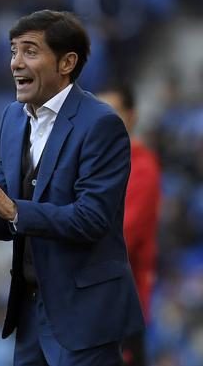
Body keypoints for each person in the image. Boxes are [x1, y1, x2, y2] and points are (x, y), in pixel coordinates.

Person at [0, 10, 144, 366]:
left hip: (86, 319)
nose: (16, 63)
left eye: (30, 51)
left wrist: (18, 212)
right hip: (31, 317)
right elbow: (6, 214)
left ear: (67, 62)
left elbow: (92, 218)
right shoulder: (11, 119)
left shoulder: (102, 124)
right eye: (13, 51)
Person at [98, 86, 161, 366]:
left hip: (121, 305)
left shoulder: (143, 167)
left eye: (112, 112)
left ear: (132, 116)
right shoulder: (91, 165)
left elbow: (123, 236)